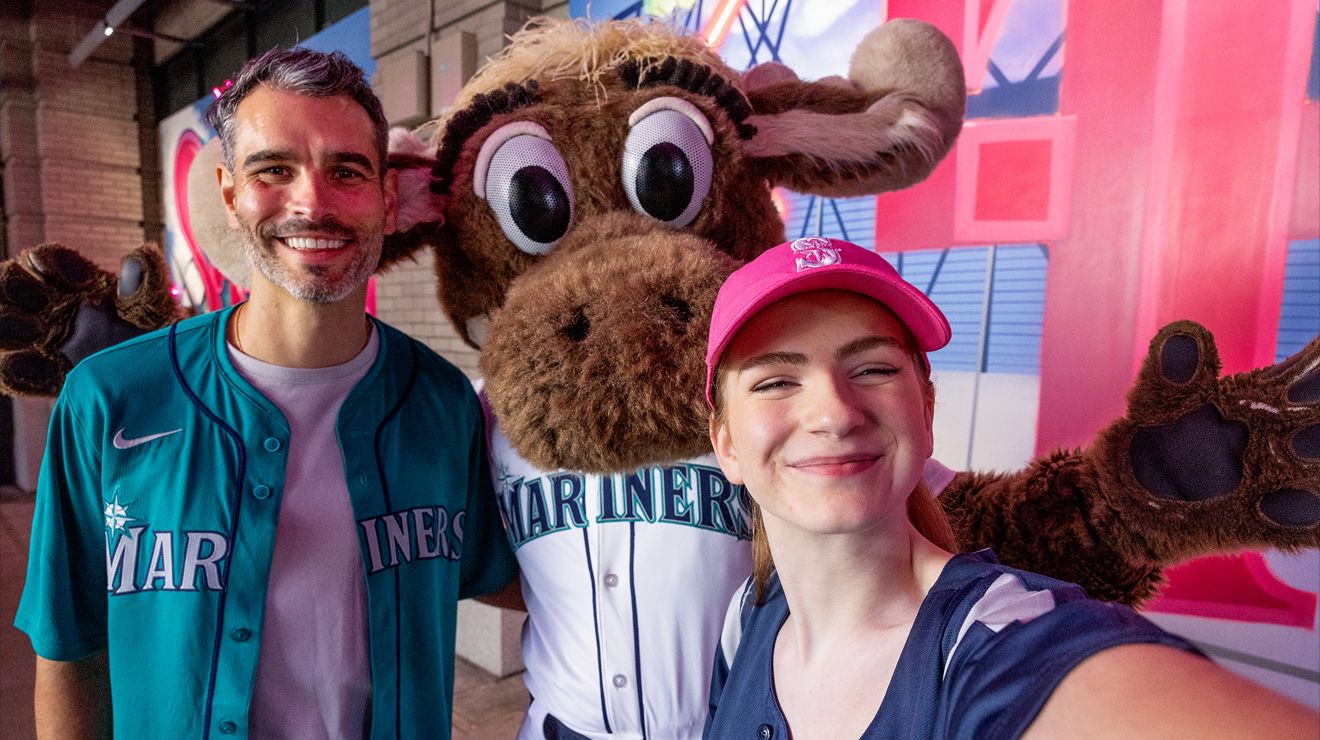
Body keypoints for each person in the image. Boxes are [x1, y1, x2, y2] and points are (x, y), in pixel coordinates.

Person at [14, 47, 516, 739]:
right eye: (273, 170)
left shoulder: (443, 404)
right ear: (229, 192)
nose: (312, 202)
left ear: (386, 197)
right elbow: (68, 647)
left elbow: (520, 571)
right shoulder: (106, 399)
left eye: (346, 171)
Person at [702, 237, 1318, 738]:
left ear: (927, 409)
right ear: (726, 442)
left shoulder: (1000, 638)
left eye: (873, 369)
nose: (834, 414)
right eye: (775, 381)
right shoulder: (746, 620)